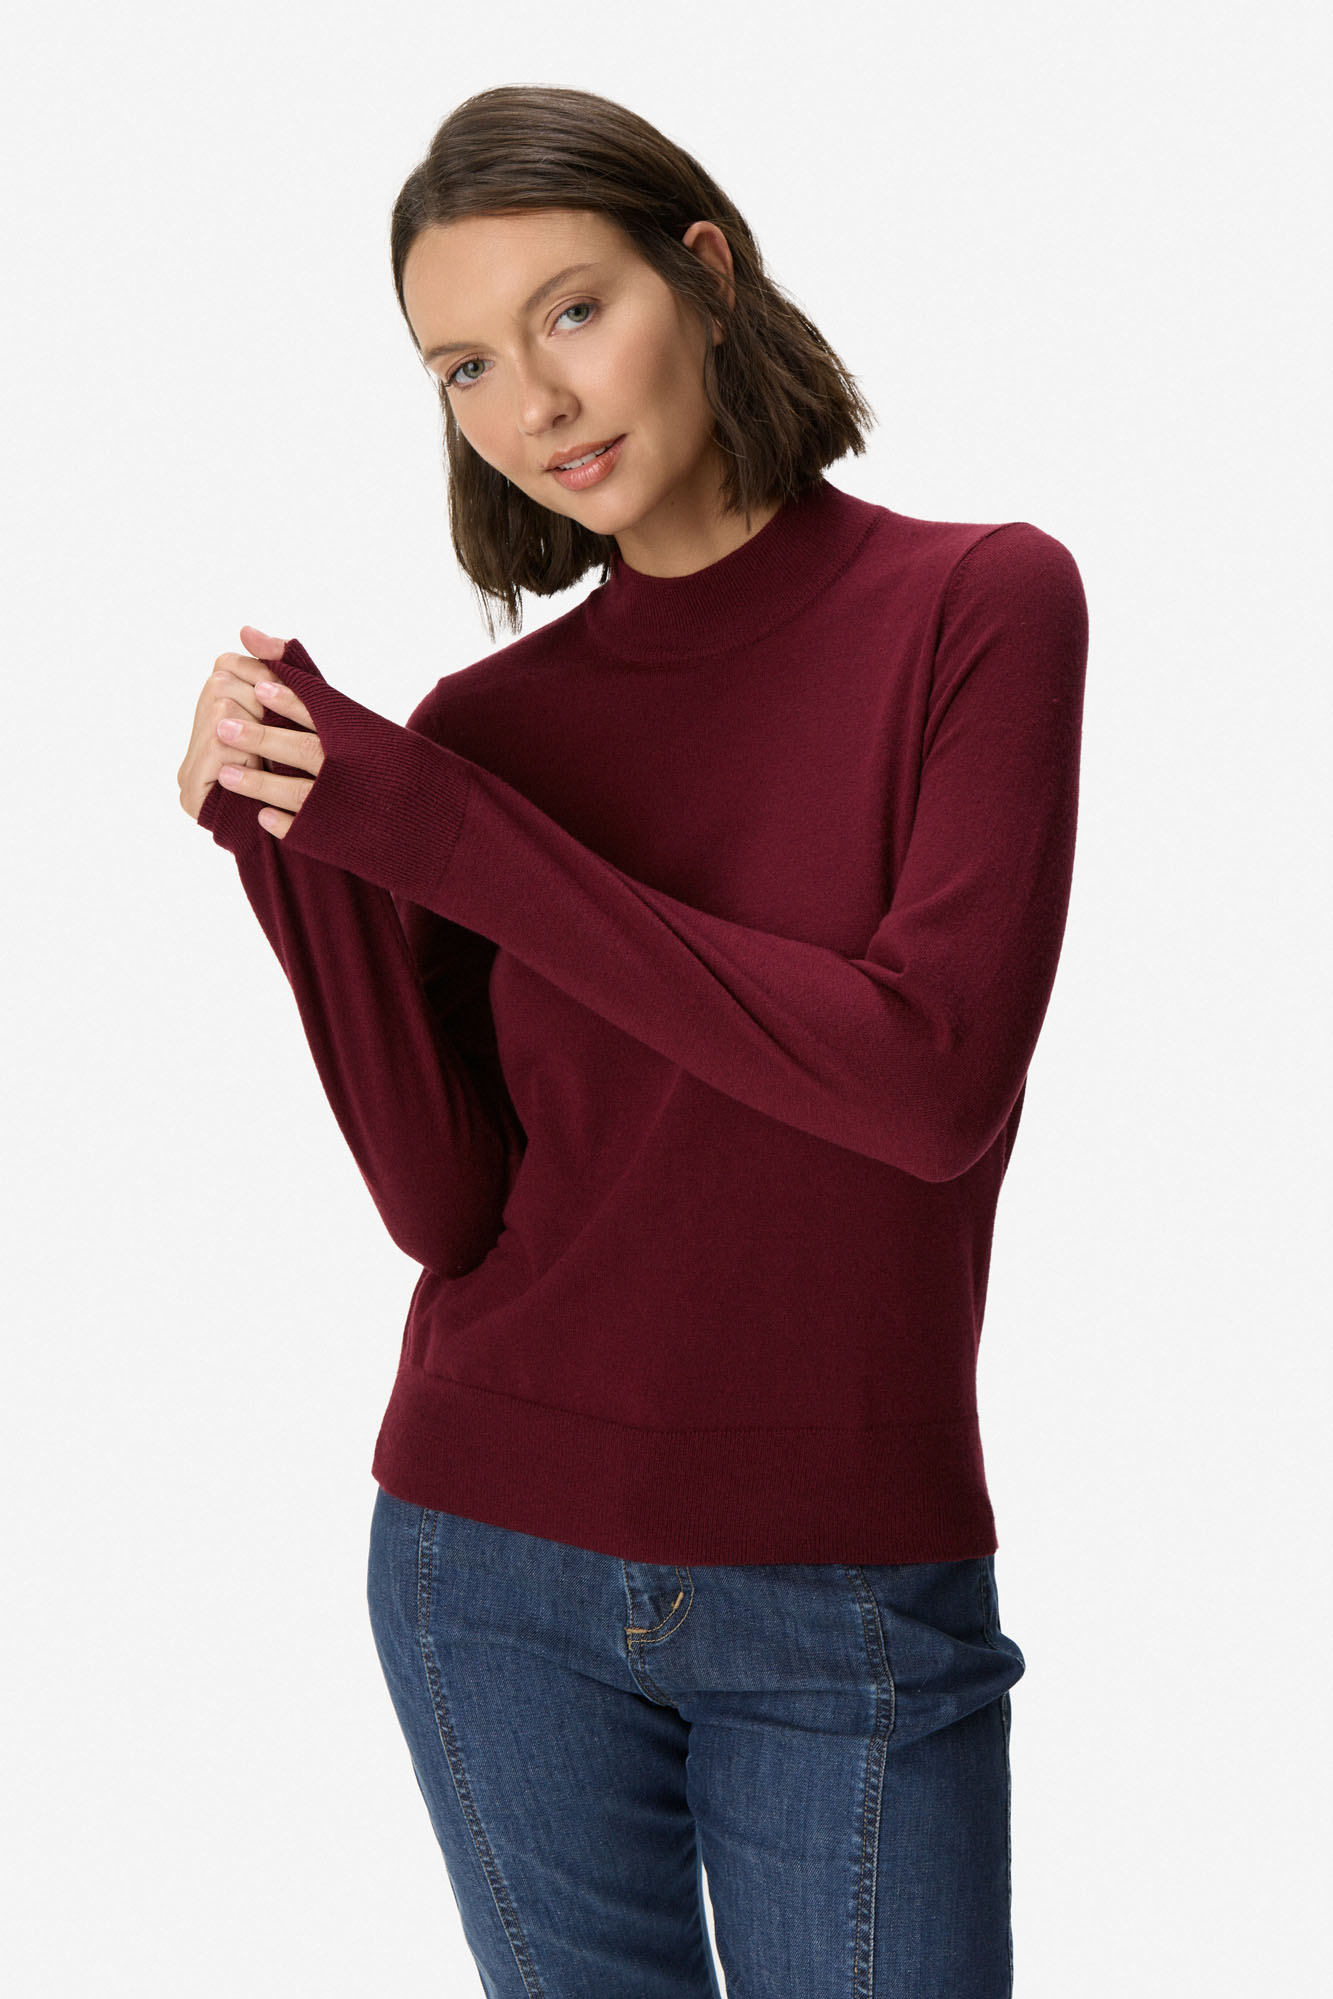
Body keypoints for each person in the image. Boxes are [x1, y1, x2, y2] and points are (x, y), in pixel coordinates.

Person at [178, 84, 1087, 1999]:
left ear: (708, 274)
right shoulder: (485, 728)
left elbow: (924, 1081)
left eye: (571, 312)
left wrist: (444, 833)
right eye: (463, 368)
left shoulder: (976, 604)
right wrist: (298, 849)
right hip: (482, 1559)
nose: (533, 404)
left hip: (847, 1582)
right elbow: (446, 1208)